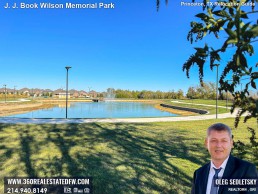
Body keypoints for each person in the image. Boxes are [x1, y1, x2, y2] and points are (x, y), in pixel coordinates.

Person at [191, 123, 258, 194]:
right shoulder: (199, 174)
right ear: (206, 143)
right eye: (214, 140)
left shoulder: (246, 170)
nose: (219, 145)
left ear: (231, 143)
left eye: (224, 141)